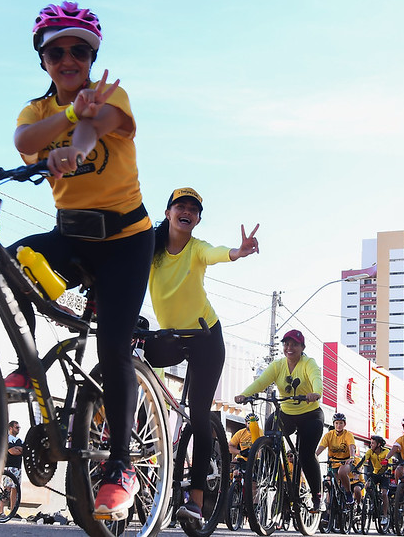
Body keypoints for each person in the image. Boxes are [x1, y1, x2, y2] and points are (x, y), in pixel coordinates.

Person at [3, 1, 153, 520]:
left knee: (113, 342)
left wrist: (76, 146)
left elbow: (96, 127)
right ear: (43, 59)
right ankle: (30, 365)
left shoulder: (115, 95)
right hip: (72, 236)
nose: (68, 58)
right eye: (56, 51)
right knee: (9, 261)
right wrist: (67, 117)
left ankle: (121, 467)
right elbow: (24, 141)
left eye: (79, 50)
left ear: (93, 55)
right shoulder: (38, 110)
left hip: (128, 242)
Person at [142, 187, 258, 524]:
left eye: (193, 209)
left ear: (197, 219)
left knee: (198, 413)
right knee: (132, 360)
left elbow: (217, 252)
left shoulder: (196, 249)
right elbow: (127, 270)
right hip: (171, 337)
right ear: (168, 212)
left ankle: (194, 501)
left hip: (206, 337)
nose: (187, 211)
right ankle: (140, 443)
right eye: (181, 205)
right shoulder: (151, 245)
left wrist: (238, 251)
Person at [234, 329, 324, 513]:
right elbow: (261, 382)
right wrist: (245, 394)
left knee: (306, 455)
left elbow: (316, 378)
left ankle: (317, 497)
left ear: (302, 347)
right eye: (286, 344)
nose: (289, 348)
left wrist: (316, 393)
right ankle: (270, 471)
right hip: (287, 414)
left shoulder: (308, 363)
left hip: (310, 415)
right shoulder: (278, 365)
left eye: (294, 344)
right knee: (269, 428)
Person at [316, 413, 358, 504]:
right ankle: (328, 511)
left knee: (342, 472)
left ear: (344, 424)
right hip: (333, 462)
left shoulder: (348, 434)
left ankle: (348, 493)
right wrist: (314, 457)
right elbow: (321, 447)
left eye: (341, 423)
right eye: (337, 423)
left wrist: (351, 457)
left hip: (346, 461)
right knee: (329, 484)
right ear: (334, 424)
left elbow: (351, 446)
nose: (338, 425)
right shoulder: (329, 435)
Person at [355, 435, 390, 526]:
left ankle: (385, 515)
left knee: (384, 494)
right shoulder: (370, 452)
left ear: (378, 444)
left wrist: (388, 471)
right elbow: (363, 459)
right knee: (367, 486)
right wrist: (356, 468)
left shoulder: (386, 451)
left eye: (372, 443)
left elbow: (389, 463)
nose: (371, 445)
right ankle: (371, 501)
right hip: (375, 474)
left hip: (385, 475)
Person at [0, 420, 23, 517]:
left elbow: (23, 450)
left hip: (18, 467)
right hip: (9, 467)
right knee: (7, 489)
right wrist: (18, 449)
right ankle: (1, 511)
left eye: (19, 427)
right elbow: (12, 451)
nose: (18, 429)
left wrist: (18, 449)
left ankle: (13, 511)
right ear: (10, 428)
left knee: (15, 489)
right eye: (16, 427)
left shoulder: (19, 440)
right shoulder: (7, 439)